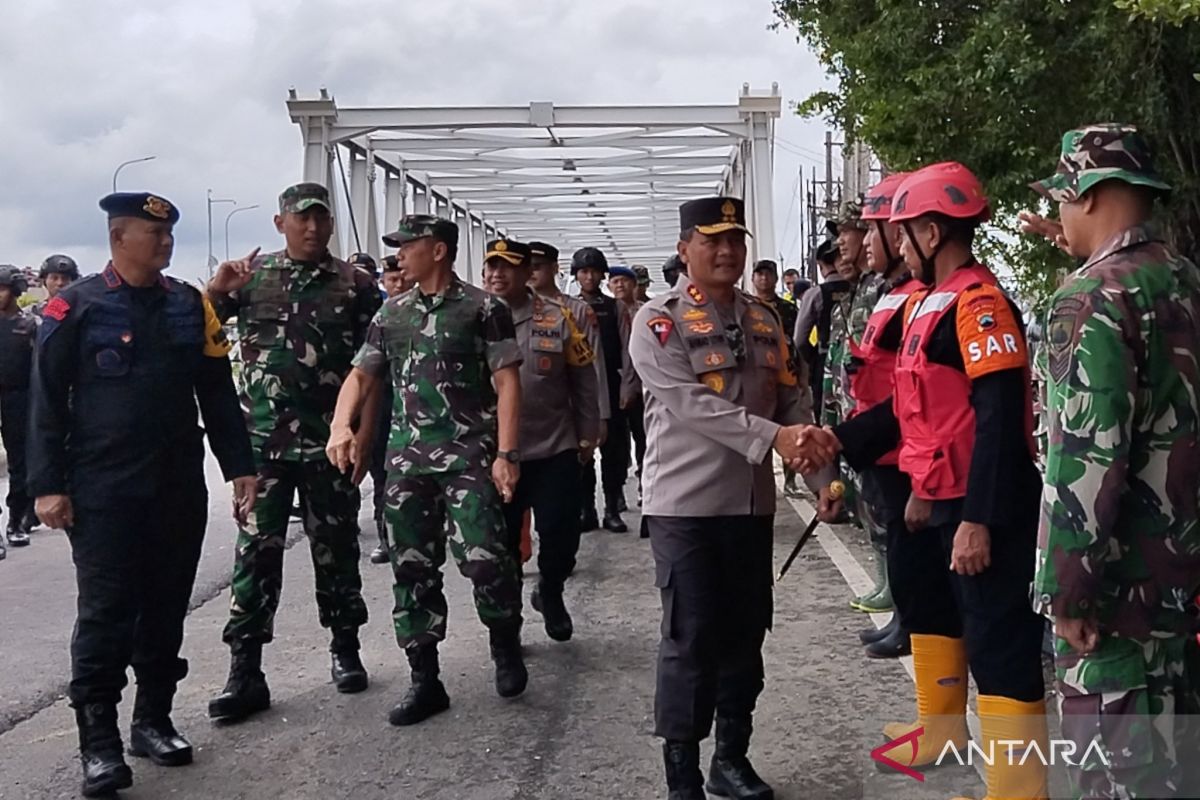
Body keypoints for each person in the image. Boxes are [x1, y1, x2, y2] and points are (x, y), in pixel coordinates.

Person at [801, 163, 1049, 797]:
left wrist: (978, 520)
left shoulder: (978, 306)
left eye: (904, 233)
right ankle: (944, 735)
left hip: (981, 504)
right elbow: (911, 408)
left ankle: (1019, 789)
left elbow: (996, 421)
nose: (898, 244)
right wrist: (840, 440)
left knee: (1000, 649)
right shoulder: (933, 304)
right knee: (941, 612)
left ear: (933, 232)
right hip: (944, 494)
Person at [28, 192, 256, 797]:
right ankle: (98, 743)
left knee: (164, 607)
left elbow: (218, 394)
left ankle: (152, 720)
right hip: (102, 489)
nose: (165, 243)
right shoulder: (71, 307)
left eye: (169, 234)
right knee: (105, 613)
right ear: (118, 237)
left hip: (176, 485)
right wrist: (46, 487)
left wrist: (241, 468)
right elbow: (44, 404)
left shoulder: (188, 305)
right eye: (152, 234)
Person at [631, 196, 841, 800]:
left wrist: (820, 475)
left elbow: (792, 400)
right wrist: (778, 437)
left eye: (735, 240)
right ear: (684, 249)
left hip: (750, 508)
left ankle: (731, 759)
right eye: (711, 240)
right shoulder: (658, 321)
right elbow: (693, 407)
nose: (726, 251)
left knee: (745, 638)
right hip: (685, 507)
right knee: (691, 638)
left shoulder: (765, 318)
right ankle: (683, 775)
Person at [1030, 124, 1200, 799]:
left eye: (1064, 199)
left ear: (1092, 193)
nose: (1060, 216)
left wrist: (1065, 589)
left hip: (1116, 604)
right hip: (1180, 589)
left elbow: (1086, 454)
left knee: (1114, 777)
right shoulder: (1184, 281)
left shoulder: (1093, 297)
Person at [327, 217, 527, 726]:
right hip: (407, 462)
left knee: (485, 559)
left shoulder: (483, 309)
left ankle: (504, 641)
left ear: (437, 251)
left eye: (406, 248)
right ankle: (425, 678)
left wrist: (507, 454)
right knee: (411, 567)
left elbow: (506, 383)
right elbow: (360, 374)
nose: (398, 258)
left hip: (468, 456)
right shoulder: (391, 313)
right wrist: (340, 426)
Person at [206, 182, 382, 723]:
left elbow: (379, 367)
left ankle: (345, 646)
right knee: (256, 553)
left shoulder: (356, 287)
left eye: (320, 219)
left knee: (336, 546)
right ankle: (246, 668)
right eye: (300, 219)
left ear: (331, 225)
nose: (311, 228)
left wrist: (363, 441)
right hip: (263, 447)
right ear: (281, 223)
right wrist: (216, 291)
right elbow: (198, 332)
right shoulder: (251, 279)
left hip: (330, 443)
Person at [486, 238, 600, 641]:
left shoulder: (557, 317)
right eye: (491, 267)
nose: (497, 275)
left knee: (562, 534)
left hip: (554, 446)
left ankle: (550, 590)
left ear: (526, 273)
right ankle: (509, 621)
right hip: (495, 453)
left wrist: (589, 433)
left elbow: (585, 377)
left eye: (508, 267)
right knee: (501, 543)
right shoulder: (472, 317)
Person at [847, 173, 922, 659]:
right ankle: (904, 616)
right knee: (893, 533)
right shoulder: (889, 289)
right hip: (877, 436)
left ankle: (910, 620)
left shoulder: (916, 294)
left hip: (899, 441)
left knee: (906, 540)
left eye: (875, 230)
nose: (867, 242)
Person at [572, 247, 629, 533]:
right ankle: (586, 510)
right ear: (576, 275)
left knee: (614, 452)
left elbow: (627, 346)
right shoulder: (568, 307)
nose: (589, 276)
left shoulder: (614, 307)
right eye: (584, 271)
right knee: (583, 451)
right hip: (581, 388)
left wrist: (628, 385)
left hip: (613, 382)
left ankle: (611, 508)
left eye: (594, 271)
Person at [365, 256, 413, 565]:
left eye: (403, 278)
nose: (398, 284)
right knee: (383, 477)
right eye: (391, 279)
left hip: (419, 410)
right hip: (381, 407)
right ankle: (387, 538)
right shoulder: (374, 319)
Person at [794, 239, 848, 425]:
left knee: (826, 419)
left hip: (826, 361)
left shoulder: (816, 294)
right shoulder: (862, 287)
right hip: (858, 364)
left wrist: (813, 358)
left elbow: (799, 339)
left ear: (820, 265)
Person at [0, 267, 34, 556]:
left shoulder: (28, 324)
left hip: (18, 397)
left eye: (3, 288)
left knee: (20, 463)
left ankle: (16, 521)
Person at [32, 254, 81, 319]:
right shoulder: (32, 313)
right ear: (44, 280)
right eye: (54, 278)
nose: (60, 283)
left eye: (65, 279)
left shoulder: (82, 313)